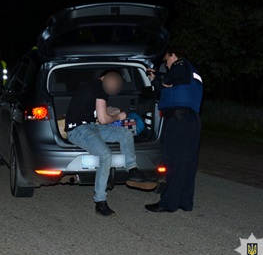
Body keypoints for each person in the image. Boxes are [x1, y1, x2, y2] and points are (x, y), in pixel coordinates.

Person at [64, 69, 157, 217]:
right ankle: (100, 202)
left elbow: (98, 115)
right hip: (78, 130)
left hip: (92, 127)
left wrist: (110, 114)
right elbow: (103, 119)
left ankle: (132, 171)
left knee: (125, 134)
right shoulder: (99, 87)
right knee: (105, 155)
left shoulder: (91, 85)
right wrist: (119, 116)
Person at [145, 46, 203, 213]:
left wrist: (160, 76)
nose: (167, 64)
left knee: (174, 162)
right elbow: (168, 90)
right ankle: (185, 202)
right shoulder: (191, 73)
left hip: (179, 120)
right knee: (187, 163)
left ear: (174, 55)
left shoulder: (181, 65)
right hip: (190, 120)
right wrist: (155, 80)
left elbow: (169, 79)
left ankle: (168, 203)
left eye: (167, 60)